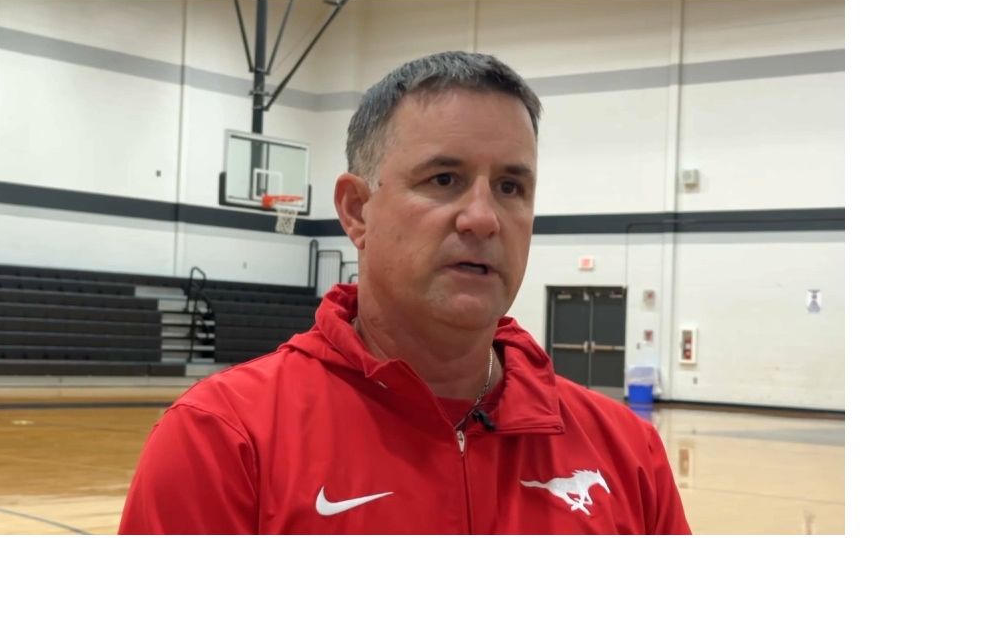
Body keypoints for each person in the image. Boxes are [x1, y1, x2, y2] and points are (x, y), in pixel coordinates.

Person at [119, 51, 691, 534]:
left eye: (510, 186)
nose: (483, 217)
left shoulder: (628, 454)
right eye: (444, 179)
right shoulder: (224, 441)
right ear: (356, 210)